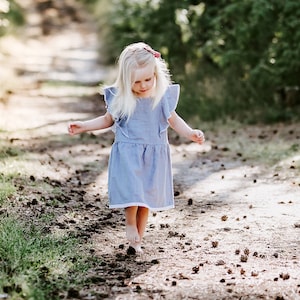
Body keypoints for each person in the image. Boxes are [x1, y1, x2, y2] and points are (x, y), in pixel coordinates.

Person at [68, 42, 205, 254]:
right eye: (137, 81)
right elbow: (106, 120)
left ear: (156, 74)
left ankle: (137, 241)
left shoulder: (161, 97)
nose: (143, 85)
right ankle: (130, 222)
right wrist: (84, 126)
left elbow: (174, 120)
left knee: (146, 199)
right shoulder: (122, 98)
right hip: (129, 153)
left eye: (148, 79)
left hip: (153, 154)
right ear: (126, 80)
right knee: (133, 190)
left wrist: (191, 133)